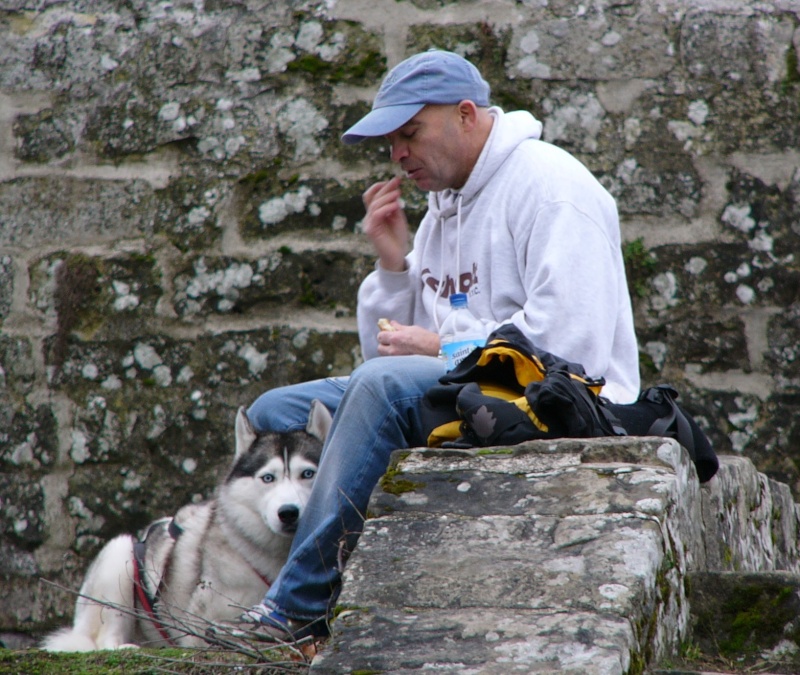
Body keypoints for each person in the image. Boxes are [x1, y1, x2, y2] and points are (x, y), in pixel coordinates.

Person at [237, 49, 641, 641]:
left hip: (553, 398)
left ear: (467, 115)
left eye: (410, 133)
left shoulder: (552, 187)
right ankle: (286, 582)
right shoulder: (442, 211)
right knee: (277, 414)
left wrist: (443, 346)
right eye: (391, 141)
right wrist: (395, 262)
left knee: (371, 391)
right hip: (466, 389)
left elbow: (571, 343)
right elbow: (392, 361)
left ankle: (295, 607)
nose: (398, 155)